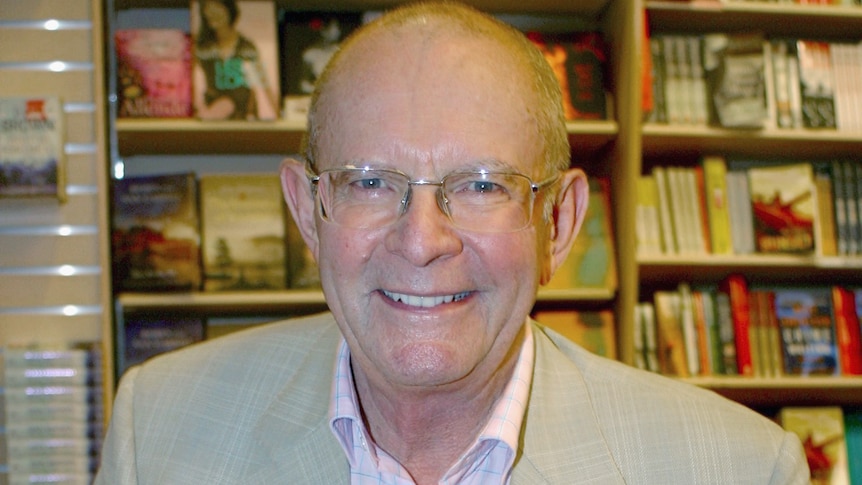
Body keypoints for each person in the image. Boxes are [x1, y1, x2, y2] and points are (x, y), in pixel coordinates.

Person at [95, 2, 810, 483]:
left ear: (557, 223)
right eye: (371, 182)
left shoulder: (737, 467)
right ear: (308, 212)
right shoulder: (157, 430)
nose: (422, 240)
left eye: (482, 185)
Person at [193, 0, 279, 120]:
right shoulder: (202, 46)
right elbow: (190, 79)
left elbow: (264, 83)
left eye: (218, 9)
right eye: (209, 11)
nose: (213, 14)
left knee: (227, 103)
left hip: (238, 105)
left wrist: (279, 114)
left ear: (229, 11)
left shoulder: (246, 47)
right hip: (211, 105)